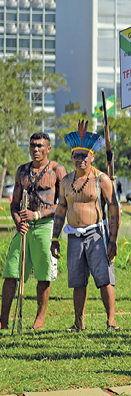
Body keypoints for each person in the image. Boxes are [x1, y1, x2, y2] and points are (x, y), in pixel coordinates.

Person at [50, 121, 120, 331]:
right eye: (76, 155)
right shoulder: (65, 181)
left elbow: (114, 209)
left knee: (104, 279)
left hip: (97, 235)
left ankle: (111, 321)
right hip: (73, 237)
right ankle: (78, 322)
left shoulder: (101, 179)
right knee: (77, 281)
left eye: (84, 155)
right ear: (71, 157)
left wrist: (113, 240)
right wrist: (54, 238)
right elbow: (61, 209)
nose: (80, 159)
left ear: (92, 156)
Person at [1, 132, 66, 330]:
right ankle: (3, 320)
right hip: (24, 228)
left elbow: (63, 203)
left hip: (46, 226)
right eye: (32, 146)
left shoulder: (57, 170)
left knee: (43, 274)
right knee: (11, 271)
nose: (35, 150)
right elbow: (14, 205)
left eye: (39, 146)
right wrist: (18, 220)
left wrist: (36, 215)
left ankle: (40, 318)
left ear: (48, 149)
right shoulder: (22, 171)